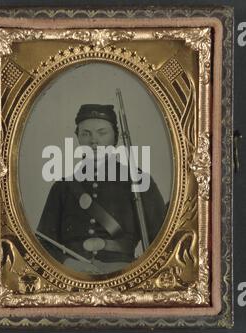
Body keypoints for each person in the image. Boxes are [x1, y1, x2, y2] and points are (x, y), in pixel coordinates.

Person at [36, 104, 166, 274]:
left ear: (116, 138)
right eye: (85, 134)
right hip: (73, 275)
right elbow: (43, 242)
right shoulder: (62, 187)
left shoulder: (138, 181)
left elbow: (162, 240)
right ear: (78, 138)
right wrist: (68, 263)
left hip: (123, 274)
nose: (94, 140)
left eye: (102, 132)